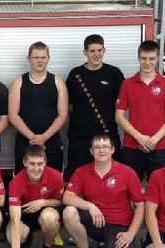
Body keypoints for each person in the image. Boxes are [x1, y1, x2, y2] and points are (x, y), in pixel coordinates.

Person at [62, 133, 145, 248]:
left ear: (112, 150)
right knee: (69, 212)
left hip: (119, 225)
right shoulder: (82, 171)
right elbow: (67, 197)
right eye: (97, 147)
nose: (101, 150)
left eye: (105, 146)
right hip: (94, 221)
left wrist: (131, 233)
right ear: (91, 151)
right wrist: (90, 206)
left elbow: (140, 205)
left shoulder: (127, 172)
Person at [115, 40, 165, 180]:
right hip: (132, 145)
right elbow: (119, 116)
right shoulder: (127, 84)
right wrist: (139, 137)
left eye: (151, 58)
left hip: (159, 146)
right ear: (138, 58)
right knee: (130, 188)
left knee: (159, 188)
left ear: (157, 58)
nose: (147, 62)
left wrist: (154, 139)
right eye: (144, 58)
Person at [65, 34, 124, 178]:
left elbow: (122, 105)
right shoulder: (75, 75)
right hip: (79, 138)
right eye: (92, 51)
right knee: (78, 178)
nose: (96, 54)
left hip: (107, 137)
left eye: (99, 50)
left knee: (111, 178)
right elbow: (69, 106)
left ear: (104, 50)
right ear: (85, 52)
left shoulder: (114, 74)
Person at [9, 41, 68, 174]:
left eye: (43, 57)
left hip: (51, 143)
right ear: (28, 58)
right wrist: (33, 138)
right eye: (36, 57)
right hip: (25, 143)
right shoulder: (18, 82)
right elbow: (13, 115)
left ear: (48, 58)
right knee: (22, 184)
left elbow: (63, 114)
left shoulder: (58, 82)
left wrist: (44, 137)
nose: (40, 61)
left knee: (53, 182)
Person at [7, 144, 64, 248]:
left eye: (40, 164)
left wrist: (42, 202)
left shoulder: (56, 176)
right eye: (32, 164)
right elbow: (15, 219)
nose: (36, 168)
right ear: (25, 163)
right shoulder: (15, 182)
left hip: (45, 211)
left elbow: (60, 201)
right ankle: (27, 239)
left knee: (50, 218)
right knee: (12, 236)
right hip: (24, 214)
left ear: (45, 163)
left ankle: (47, 246)